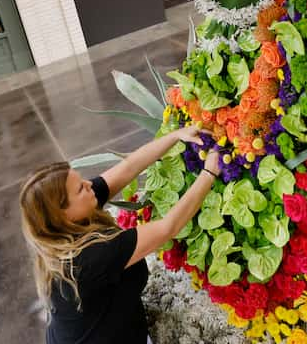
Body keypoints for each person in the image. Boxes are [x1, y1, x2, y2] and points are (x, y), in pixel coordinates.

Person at [20, 125, 220, 344]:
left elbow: (129, 167)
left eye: (82, 181)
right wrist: (209, 172)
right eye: (80, 189)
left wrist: (175, 136)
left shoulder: (65, 222)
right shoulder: (88, 259)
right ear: (62, 215)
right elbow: (168, 227)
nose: (89, 184)